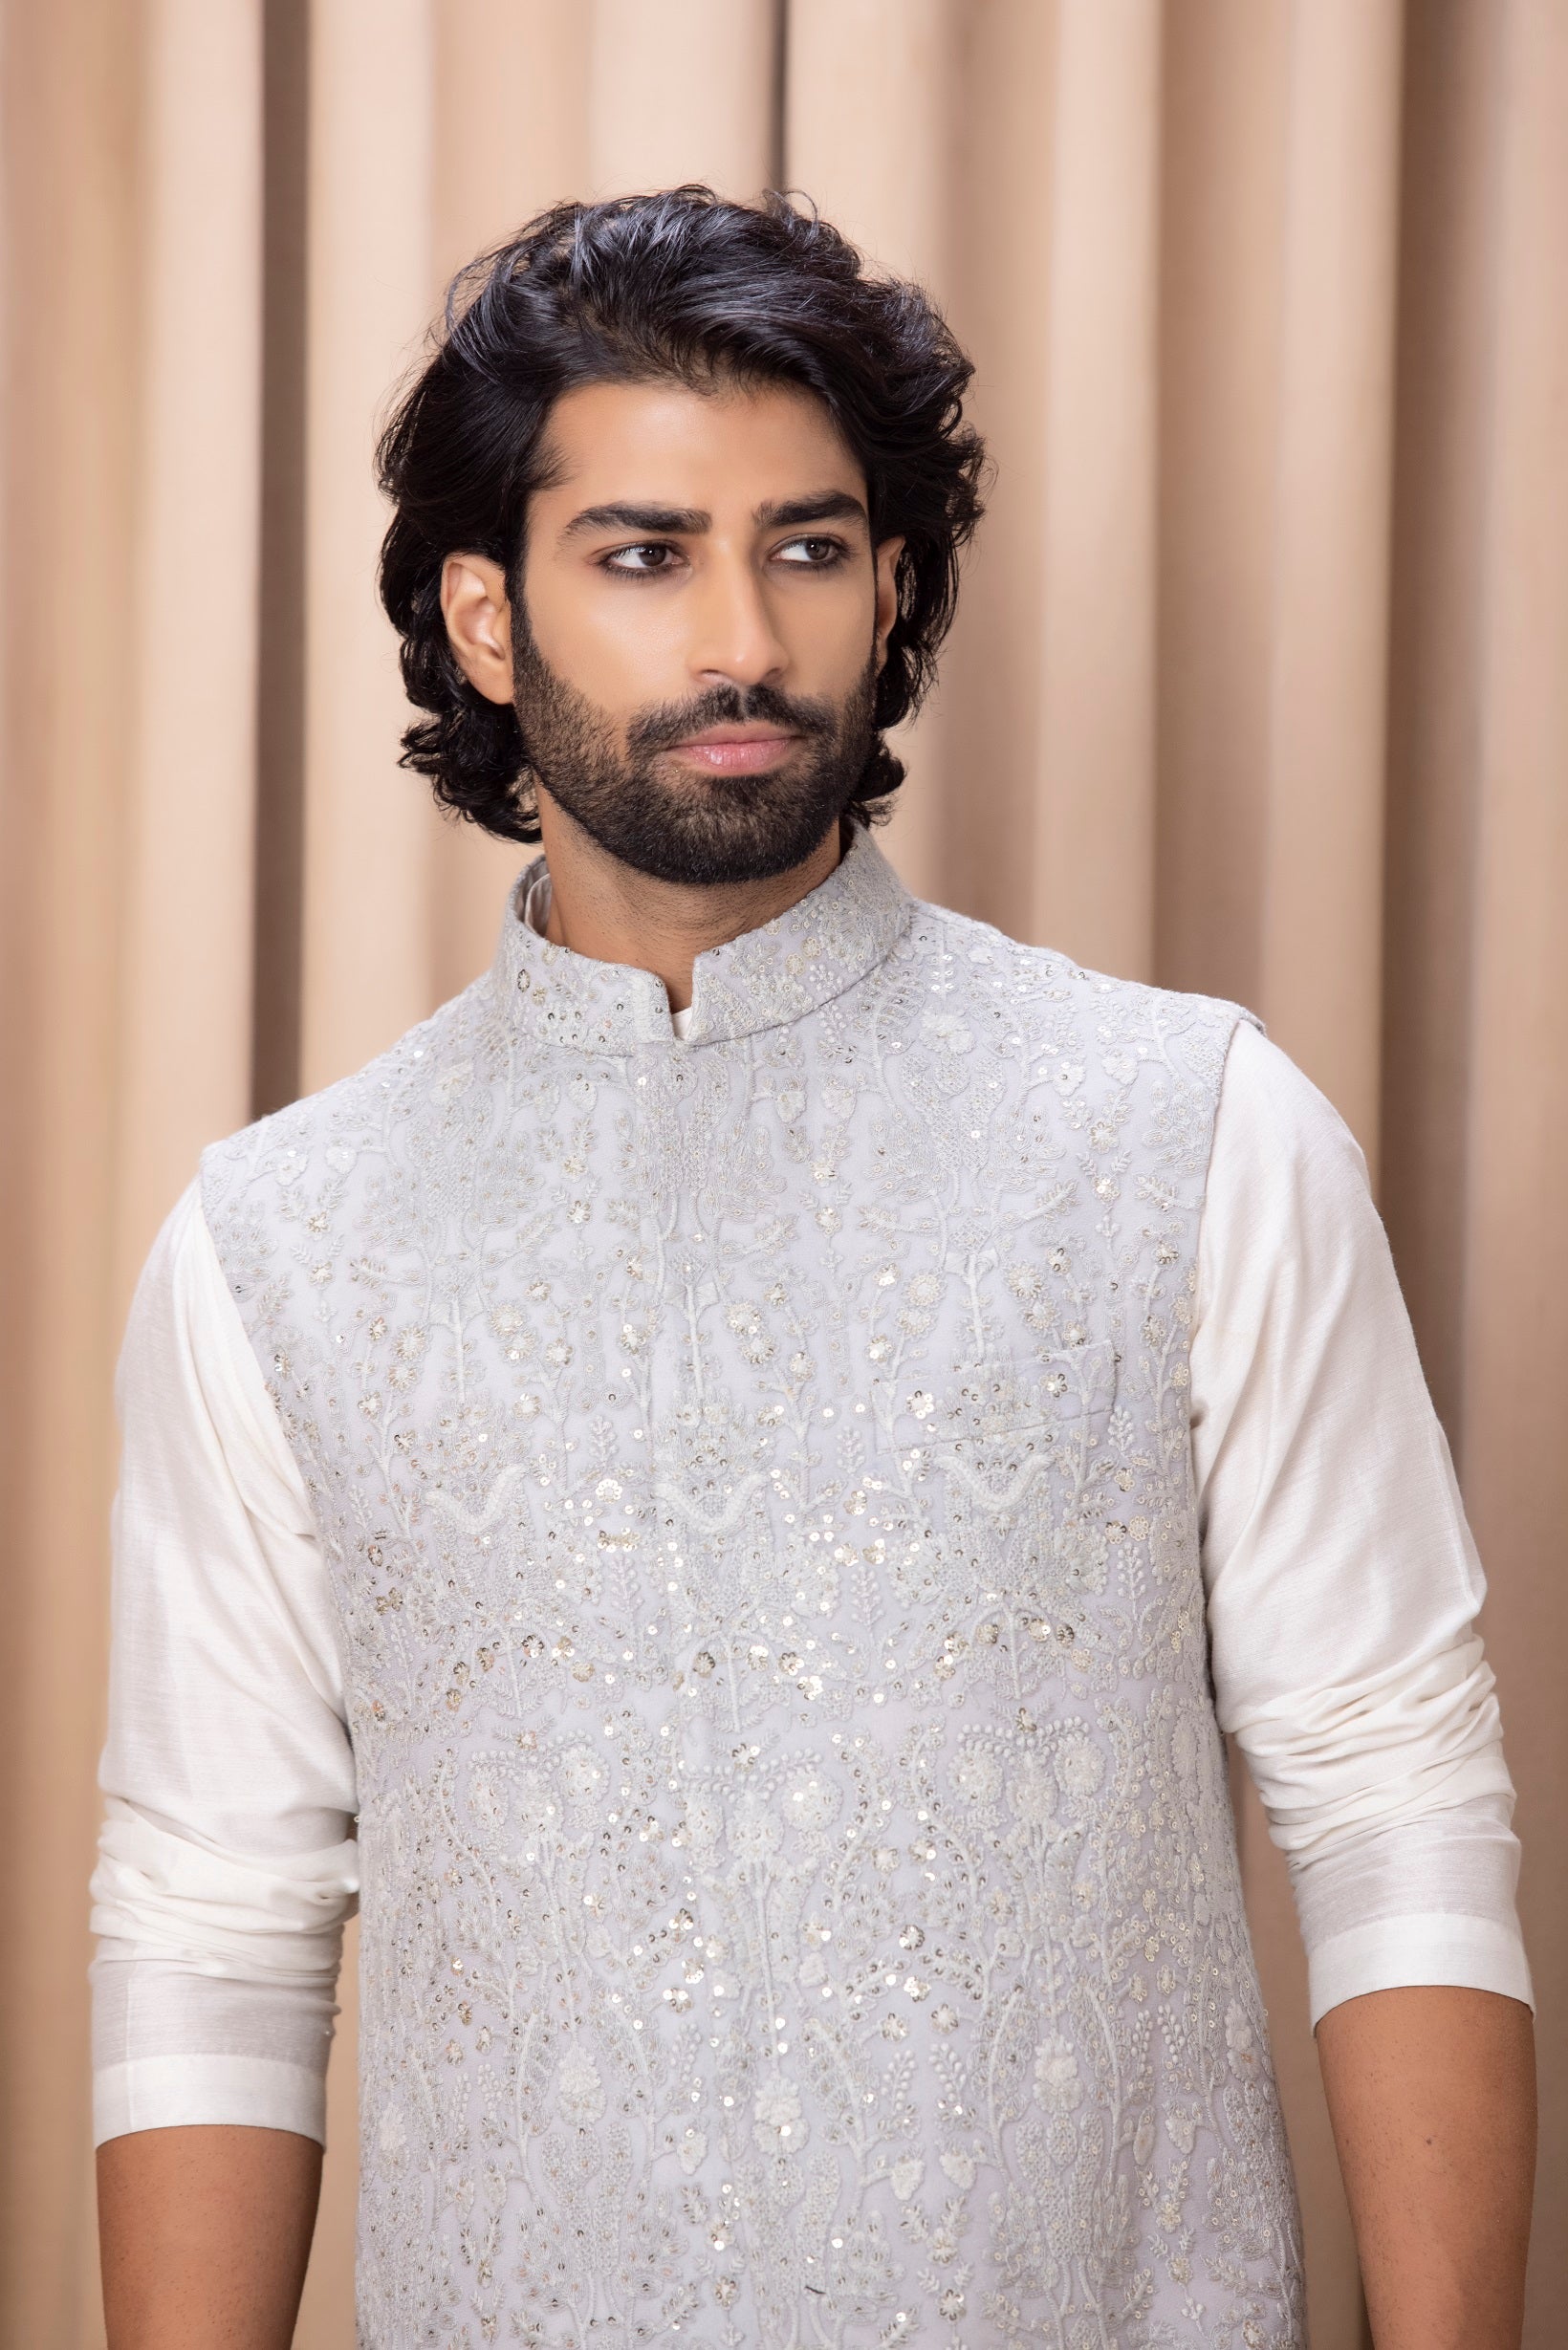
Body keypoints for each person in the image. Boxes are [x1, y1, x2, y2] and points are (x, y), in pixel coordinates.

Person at [91, 187, 1535, 2350]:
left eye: (808, 545)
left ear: (891, 584)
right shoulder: (280, 1247)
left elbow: (1395, 1794)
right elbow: (215, 1921)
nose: (743, 642)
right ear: (486, 617)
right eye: (643, 554)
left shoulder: (1190, 1132)